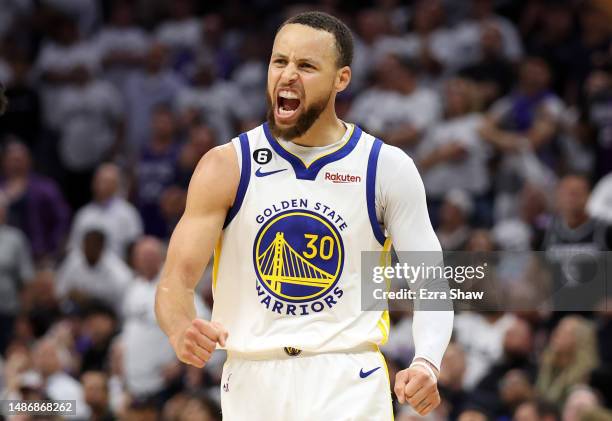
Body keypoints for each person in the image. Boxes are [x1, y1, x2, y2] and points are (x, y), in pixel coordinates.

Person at [155, 11, 453, 420]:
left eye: (307, 66)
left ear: (341, 79)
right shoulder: (227, 165)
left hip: (347, 374)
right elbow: (175, 282)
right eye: (280, 62)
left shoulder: (385, 166)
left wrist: (427, 362)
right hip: (251, 377)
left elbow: (431, 282)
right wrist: (179, 328)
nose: (288, 75)